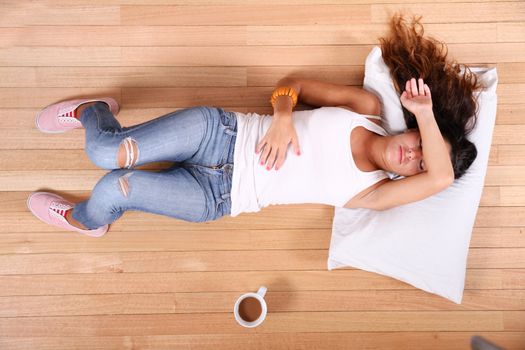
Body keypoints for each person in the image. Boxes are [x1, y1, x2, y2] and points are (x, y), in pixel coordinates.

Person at [27, 14, 480, 237]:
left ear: (409, 181)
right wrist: (283, 116)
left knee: (109, 192)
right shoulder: (364, 107)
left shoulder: (373, 194)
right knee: (103, 153)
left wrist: (424, 114)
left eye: (416, 165)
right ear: (412, 131)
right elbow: (292, 85)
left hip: (219, 197)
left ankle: (84, 221)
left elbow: (440, 176)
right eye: (421, 143)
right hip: (220, 133)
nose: (412, 155)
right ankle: (93, 113)